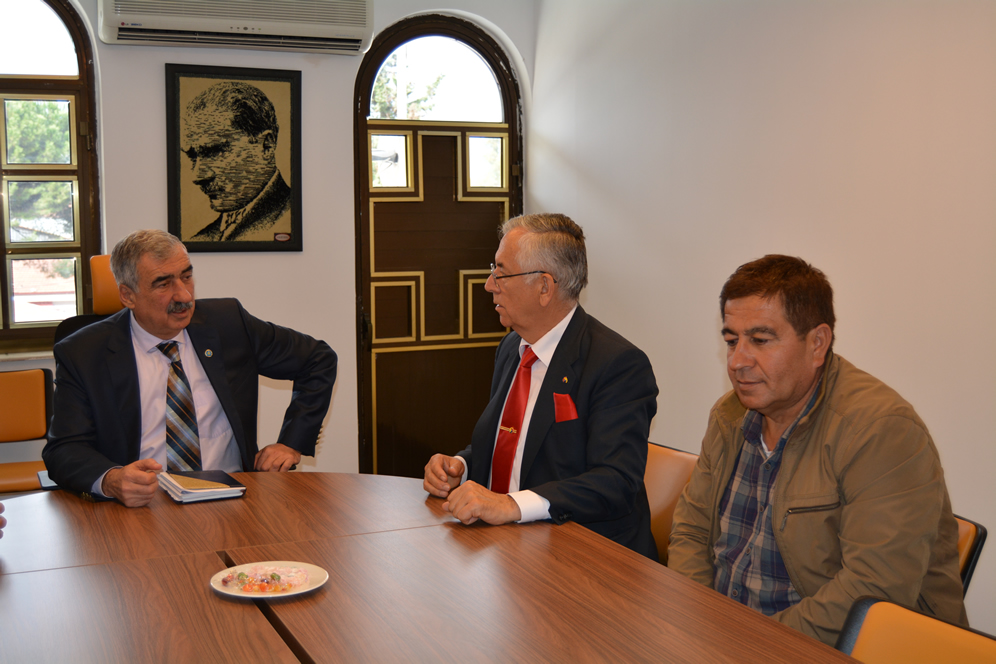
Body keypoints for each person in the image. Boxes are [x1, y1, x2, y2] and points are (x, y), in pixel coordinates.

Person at [668, 254, 966, 645]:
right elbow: (691, 530)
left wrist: (748, 642)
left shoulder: (881, 430)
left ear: (817, 344)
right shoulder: (729, 415)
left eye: (760, 340)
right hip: (723, 638)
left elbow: (873, 592)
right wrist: (695, 618)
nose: (738, 361)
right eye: (731, 340)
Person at [423, 213, 660, 560]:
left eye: (501, 272)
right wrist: (460, 467)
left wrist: (511, 505)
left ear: (545, 287)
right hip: (511, 549)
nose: (489, 284)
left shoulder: (617, 364)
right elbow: (516, 444)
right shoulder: (511, 348)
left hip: (588, 558)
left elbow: (615, 481)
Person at [42, 230, 336, 507]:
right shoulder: (84, 352)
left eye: (186, 276)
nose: (184, 296)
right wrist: (111, 480)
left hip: (230, 497)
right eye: (163, 283)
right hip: (141, 506)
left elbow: (317, 359)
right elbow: (64, 449)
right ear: (128, 295)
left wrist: (291, 442)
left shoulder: (229, 324)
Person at [181, 81, 292, 242]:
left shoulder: (292, 217)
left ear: (266, 145)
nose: (198, 176)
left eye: (215, 152)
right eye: (192, 157)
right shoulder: (200, 239)